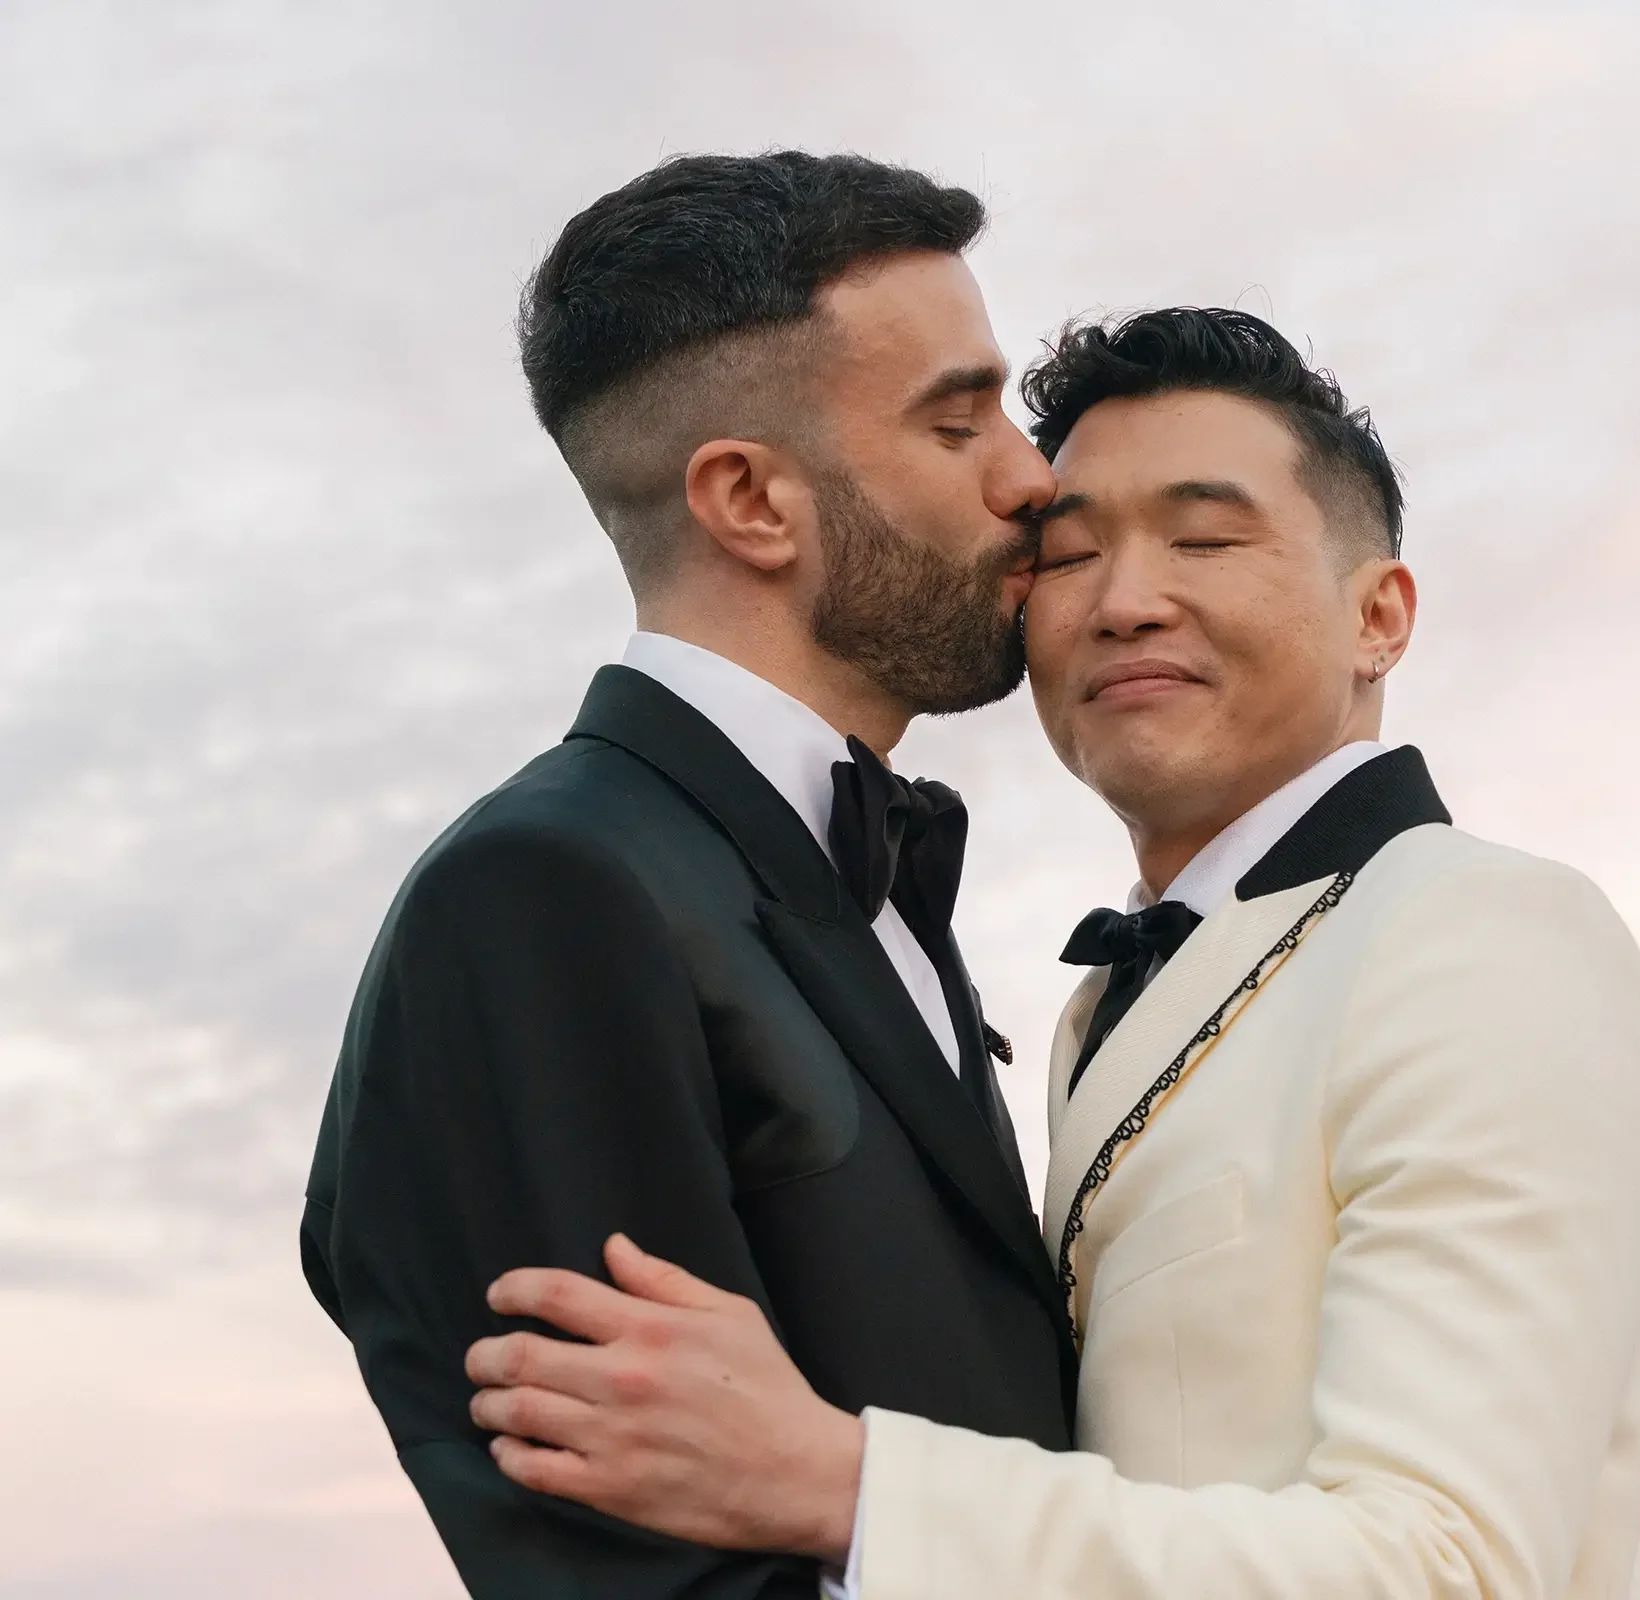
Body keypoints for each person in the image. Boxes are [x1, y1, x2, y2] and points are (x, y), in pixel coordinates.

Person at [464, 308, 1640, 1600]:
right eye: (1068, 553)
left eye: (1207, 538)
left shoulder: (1481, 932)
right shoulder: (1101, 1007)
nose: (1124, 602)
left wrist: (839, 1481)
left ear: (1380, 615)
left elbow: (1450, 1569)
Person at [299, 150, 1078, 1600]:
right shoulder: (545, 896)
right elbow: (645, 1578)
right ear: (750, 501)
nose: (1032, 476)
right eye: (959, 419)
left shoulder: (843, 864)